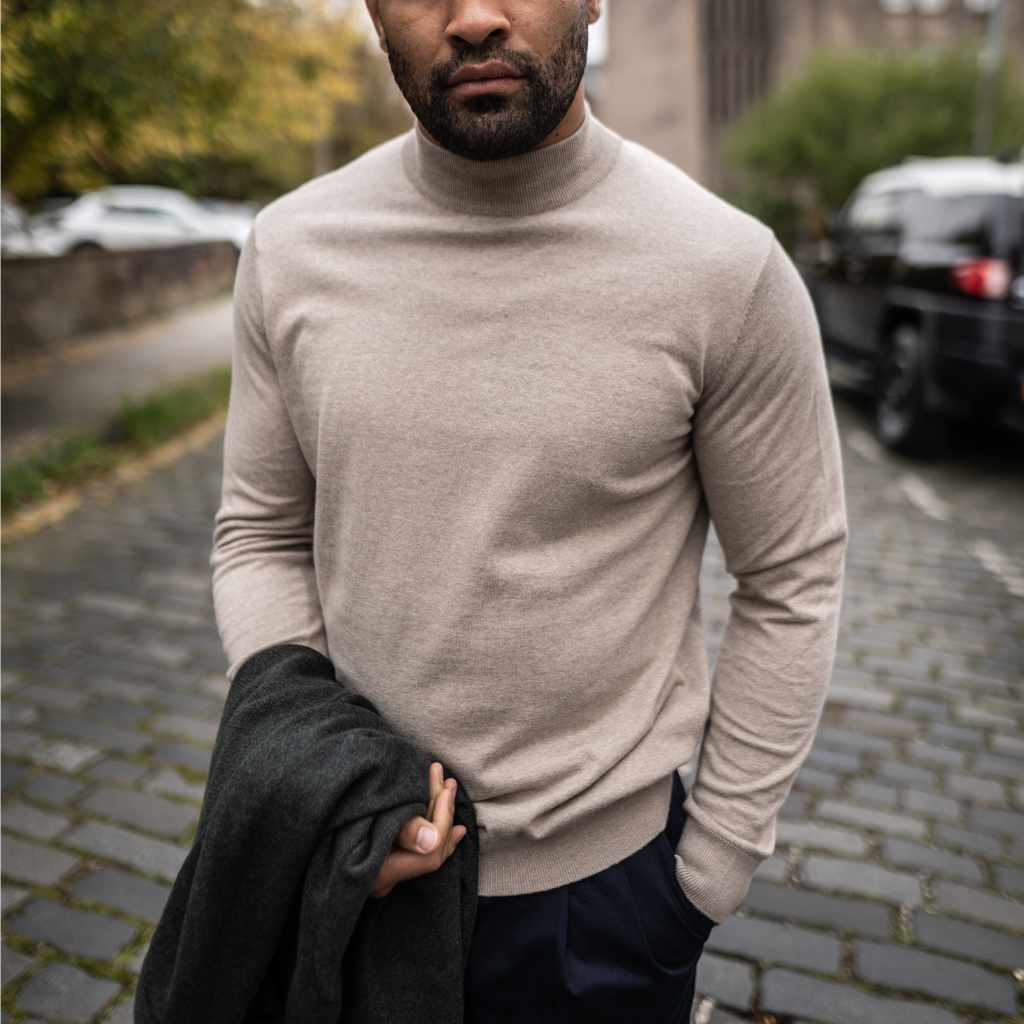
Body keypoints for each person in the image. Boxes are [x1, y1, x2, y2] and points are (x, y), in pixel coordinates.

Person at [209, 1, 849, 1020]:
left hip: (605, 909)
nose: (473, 19)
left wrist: (707, 874)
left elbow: (791, 576)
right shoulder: (290, 248)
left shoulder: (724, 270)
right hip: (352, 870)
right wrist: (323, 785)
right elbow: (261, 533)